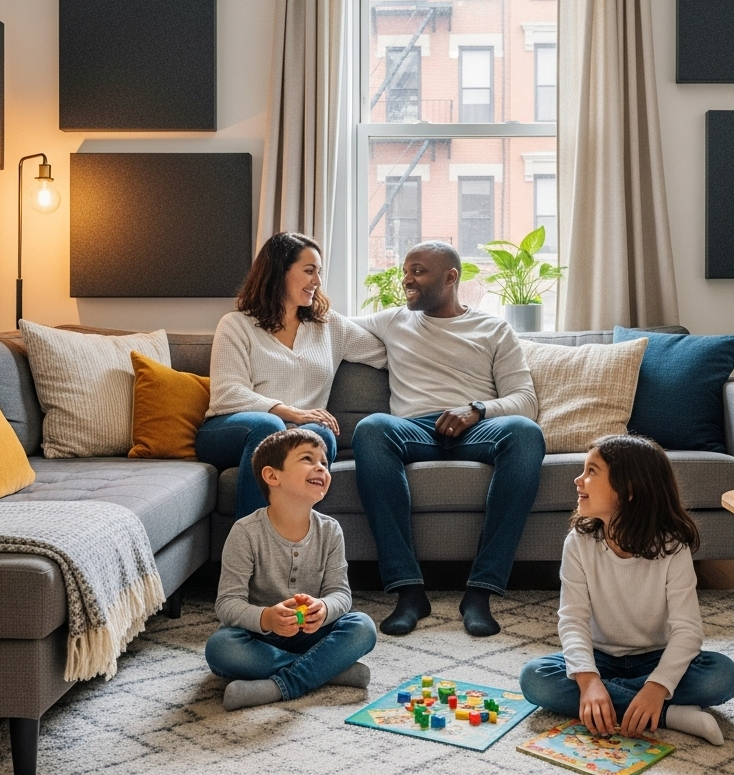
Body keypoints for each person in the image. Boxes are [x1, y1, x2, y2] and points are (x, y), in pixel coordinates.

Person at [351, 241, 545, 638]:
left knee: (526, 433)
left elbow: (525, 401)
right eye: (405, 271)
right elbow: (328, 327)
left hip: (477, 428)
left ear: (451, 277)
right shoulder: (391, 321)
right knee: (371, 428)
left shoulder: (493, 328)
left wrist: (475, 410)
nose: (407, 279)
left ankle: (480, 593)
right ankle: (409, 591)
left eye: (418, 271)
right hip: (414, 430)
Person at [518, 435, 734, 745]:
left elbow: (688, 632)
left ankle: (625, 702)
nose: (578, 480)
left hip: (655, 657)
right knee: (535, 679)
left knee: (722, 676)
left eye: (592, 471)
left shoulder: (673, 546)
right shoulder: (579, 543)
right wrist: (589, 679)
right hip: (600, 658)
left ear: (629, 490)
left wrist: (657, 686)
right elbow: (573, 620)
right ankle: (668, 715)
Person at [198, 232, 386, 520]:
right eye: (309, 271)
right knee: (268, 425)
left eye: (319, 272)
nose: (318, 281)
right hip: (233, 428)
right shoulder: (236, 325)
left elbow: (383, 353)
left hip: (298, 431)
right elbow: (227, 393)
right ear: (278, 273)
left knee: (320, 437)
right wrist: (291, 413)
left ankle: (294, 545)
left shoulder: (329, 325)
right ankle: (253, 548)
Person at [205, 428, 378, 711]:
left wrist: (323, 607)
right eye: (308, 459)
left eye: (324, 462)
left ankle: (279, 686)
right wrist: (268, 618)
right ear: (273, 476)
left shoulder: (331, 530)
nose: (321, 467)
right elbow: (227, 604)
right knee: (221, 648)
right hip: (259, 638)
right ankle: (329, 670)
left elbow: (340, 595)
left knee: (363, 627)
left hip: (312, 634)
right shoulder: (246, 532)